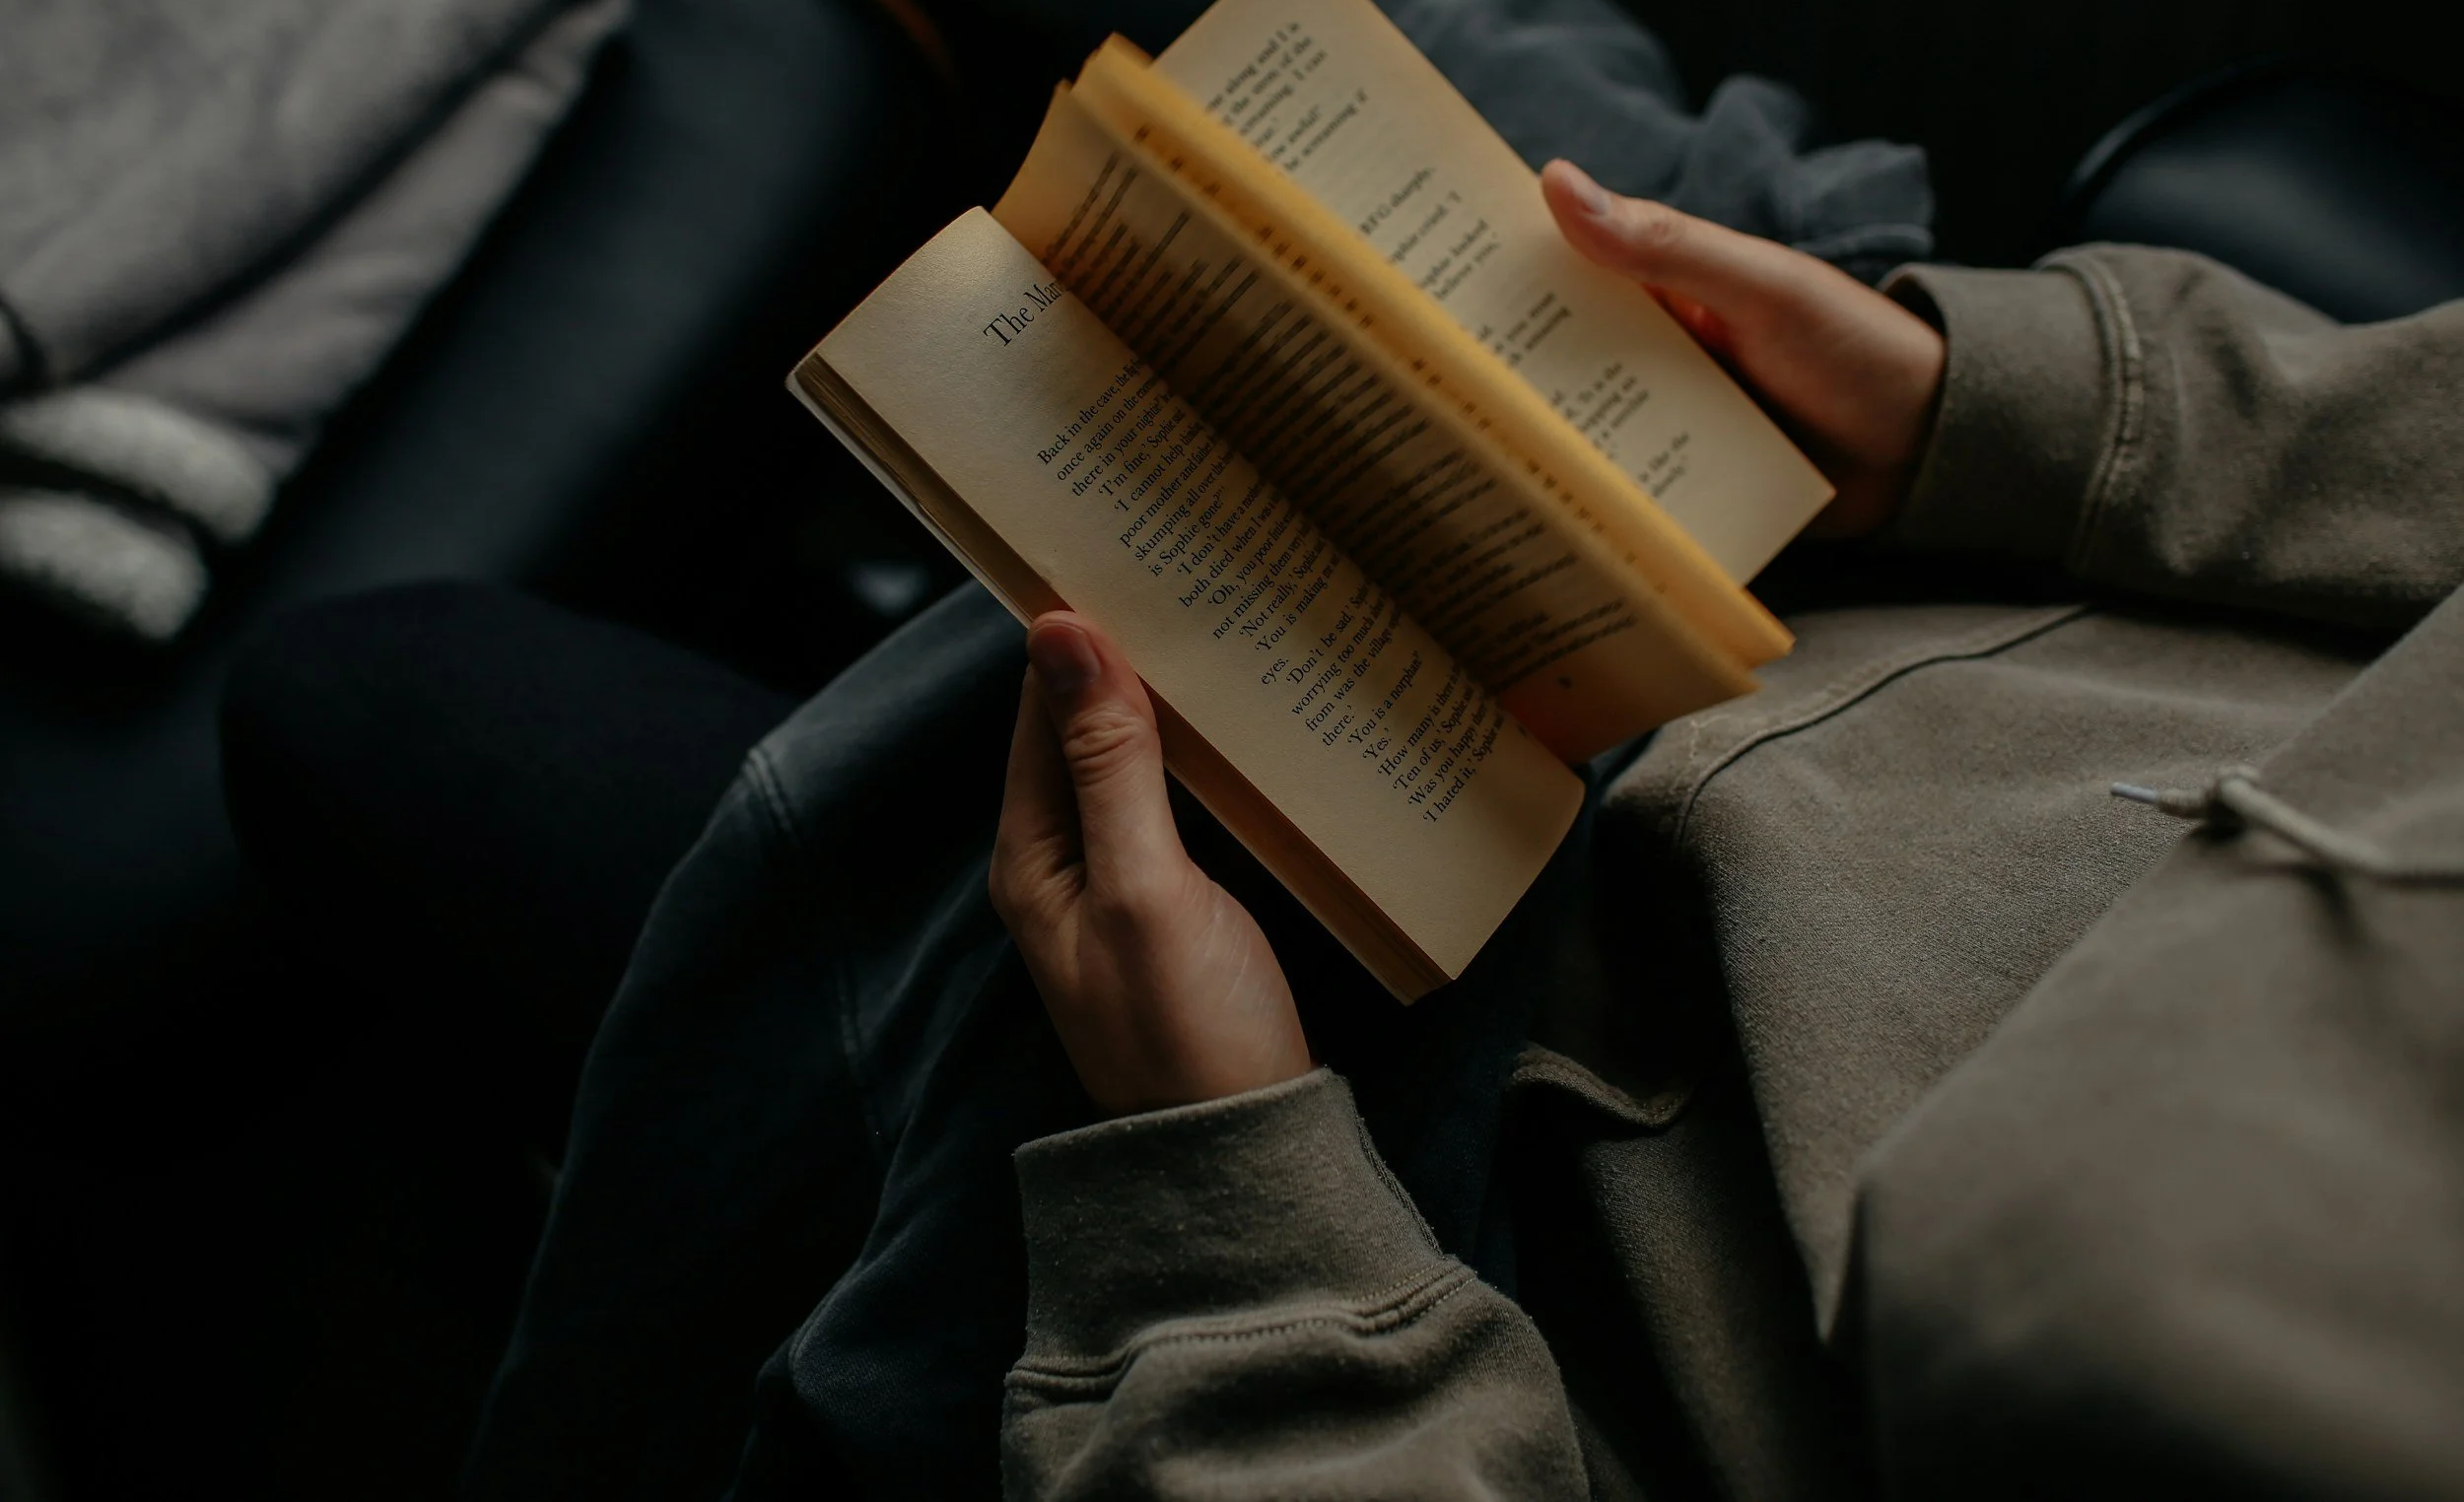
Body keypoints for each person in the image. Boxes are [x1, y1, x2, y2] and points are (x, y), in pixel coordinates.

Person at [225, 146, 2464, 1498]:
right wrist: (2016, 414)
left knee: (357, 697)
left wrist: (1231, 1210)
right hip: (1898, 588)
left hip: (1404, 1199)